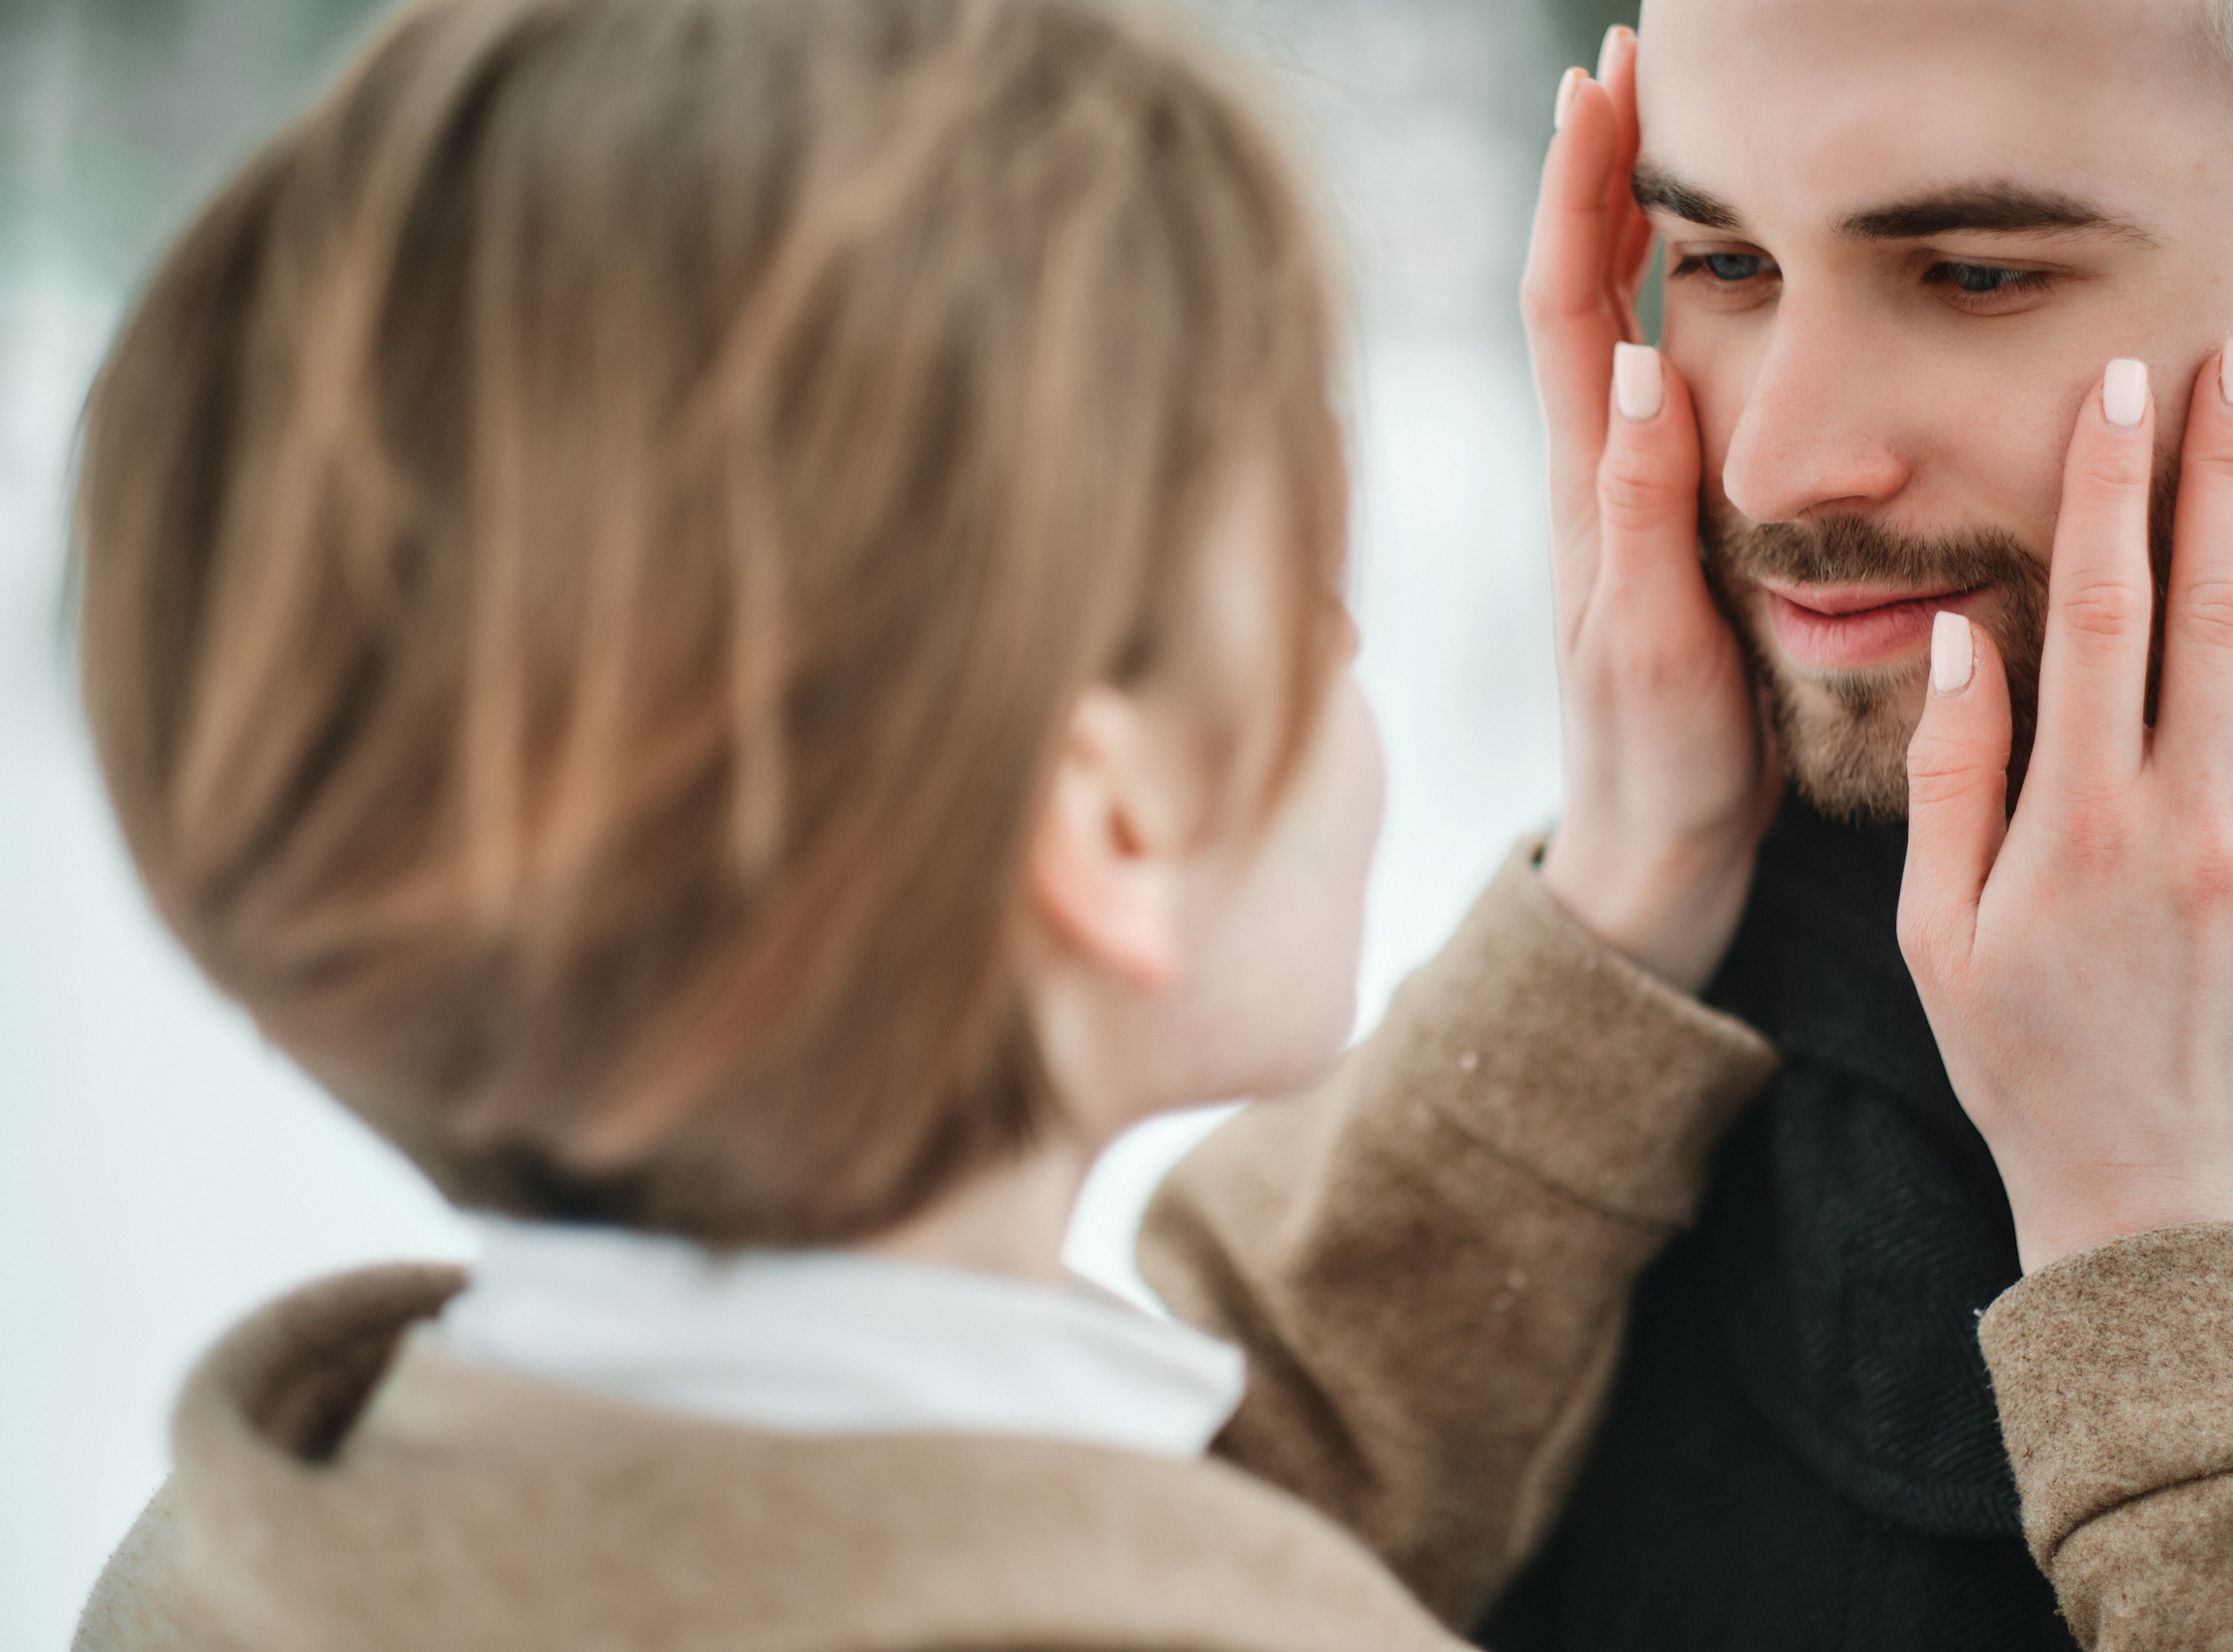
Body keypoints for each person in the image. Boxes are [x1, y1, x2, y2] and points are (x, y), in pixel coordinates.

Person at [65, 0, 1790, 1644]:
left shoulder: (251, 1578)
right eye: (1316, 597)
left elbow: (1094, 1528)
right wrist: (2081, 1297)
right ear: (1109, 824)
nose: (1351, 653)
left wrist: (1619, 912)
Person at [1441, 5, 2233, 1646]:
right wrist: (1615, 933)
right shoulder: (1656, 927)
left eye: (1979, 274)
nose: (1777, 466)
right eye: (1721, 260)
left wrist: (2186, 1269)